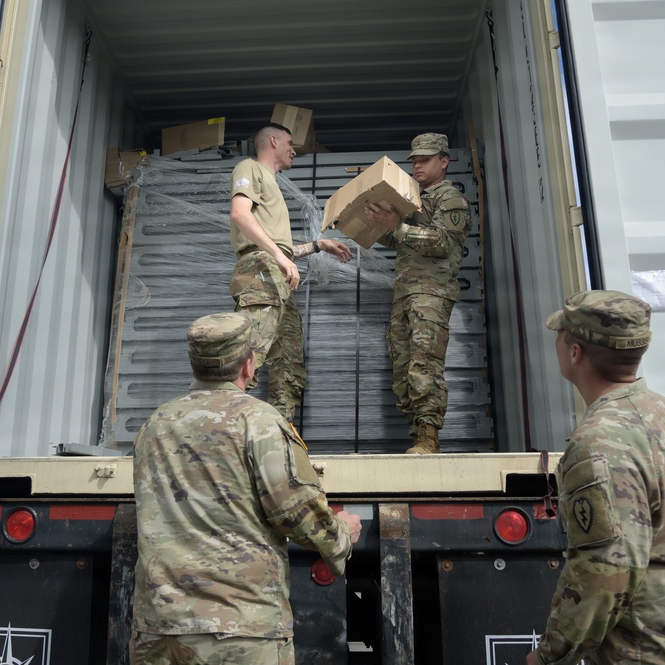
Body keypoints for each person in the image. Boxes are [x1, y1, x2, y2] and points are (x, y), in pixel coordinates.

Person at [527, 290, 665, 665]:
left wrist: (551, 656)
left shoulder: (600, 441)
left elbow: (605, 573)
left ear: (574, 352)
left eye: (561, 334)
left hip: (661, 651)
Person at [130, 312, 363, 665]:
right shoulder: (260, 421)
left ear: (196, 365)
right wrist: (342, 535)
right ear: (249, 364)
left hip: (159, 632)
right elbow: (294, 511)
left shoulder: (154, 425)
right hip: (241, 631)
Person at [229, 122, 352, 423]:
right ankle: (227, 431)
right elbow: (240, 214)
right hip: (261, 273)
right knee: (249, 356)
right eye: (289, 142)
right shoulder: (250, 168)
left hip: (275, 277)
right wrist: (278, 258)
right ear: (273, 140)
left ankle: (282, 434)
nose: (294, 149)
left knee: (288, 364)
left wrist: (316, 245)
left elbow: (280, 249)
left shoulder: (274, 186)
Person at [363, 133, 472, 454]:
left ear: (444, 161)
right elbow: (400, 241)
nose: (417, 165)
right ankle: (417, 434)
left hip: (431, 295)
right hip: (406, 294)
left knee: (424, 365)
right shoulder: (413, 201)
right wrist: (372, 226)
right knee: (402, 367)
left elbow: (442, 243)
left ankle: (428, 437)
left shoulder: (449, 199)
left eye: (424, 159)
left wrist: (397, 226)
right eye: (413, 160)